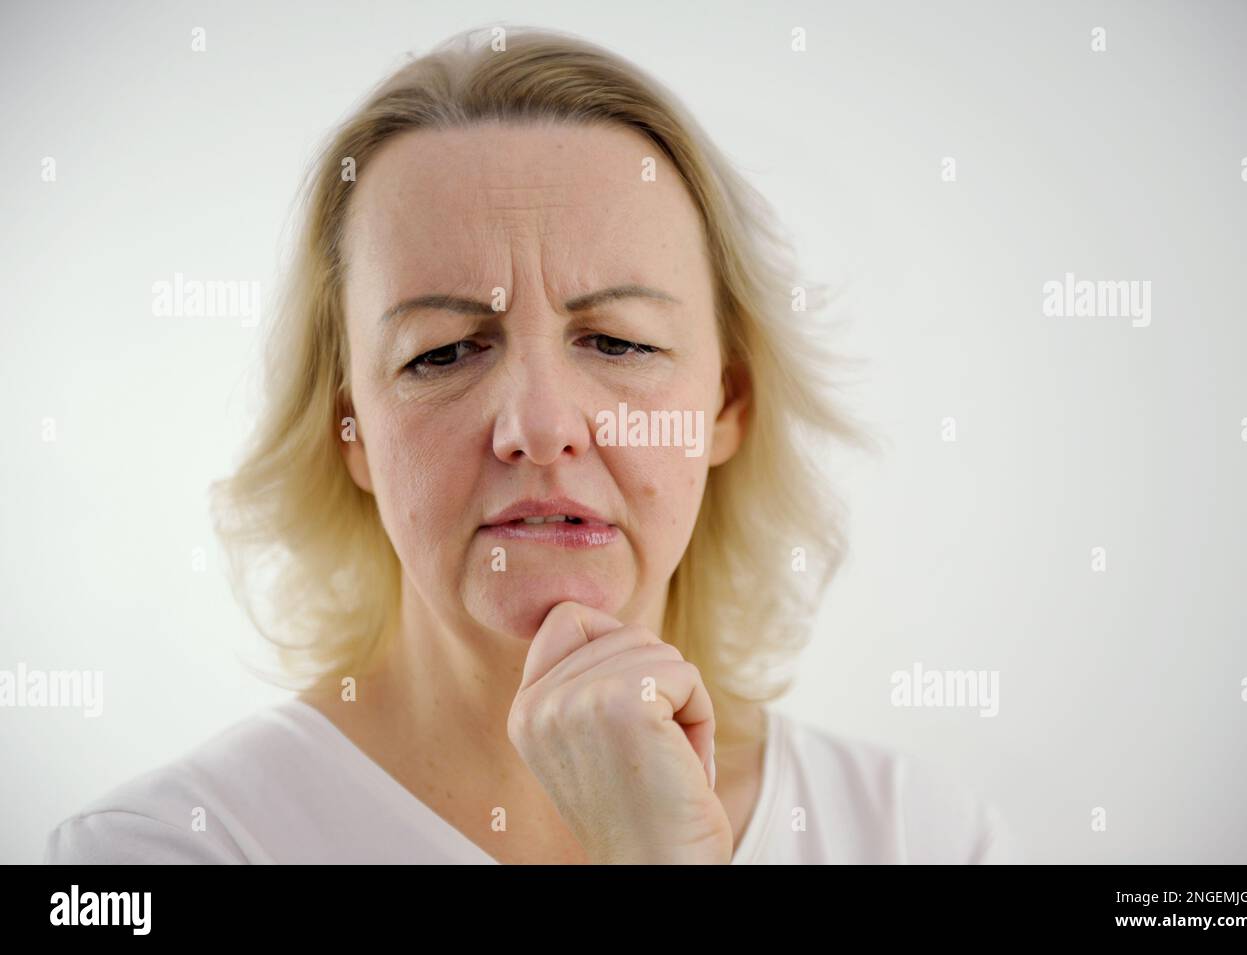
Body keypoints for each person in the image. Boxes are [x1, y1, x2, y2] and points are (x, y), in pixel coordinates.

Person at [44, 25, 1021, 864]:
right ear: (352, 433)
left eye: (620, 342)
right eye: (442, 353)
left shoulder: (913, 833)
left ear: (727, 403)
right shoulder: (167, 846)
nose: (539, 427)